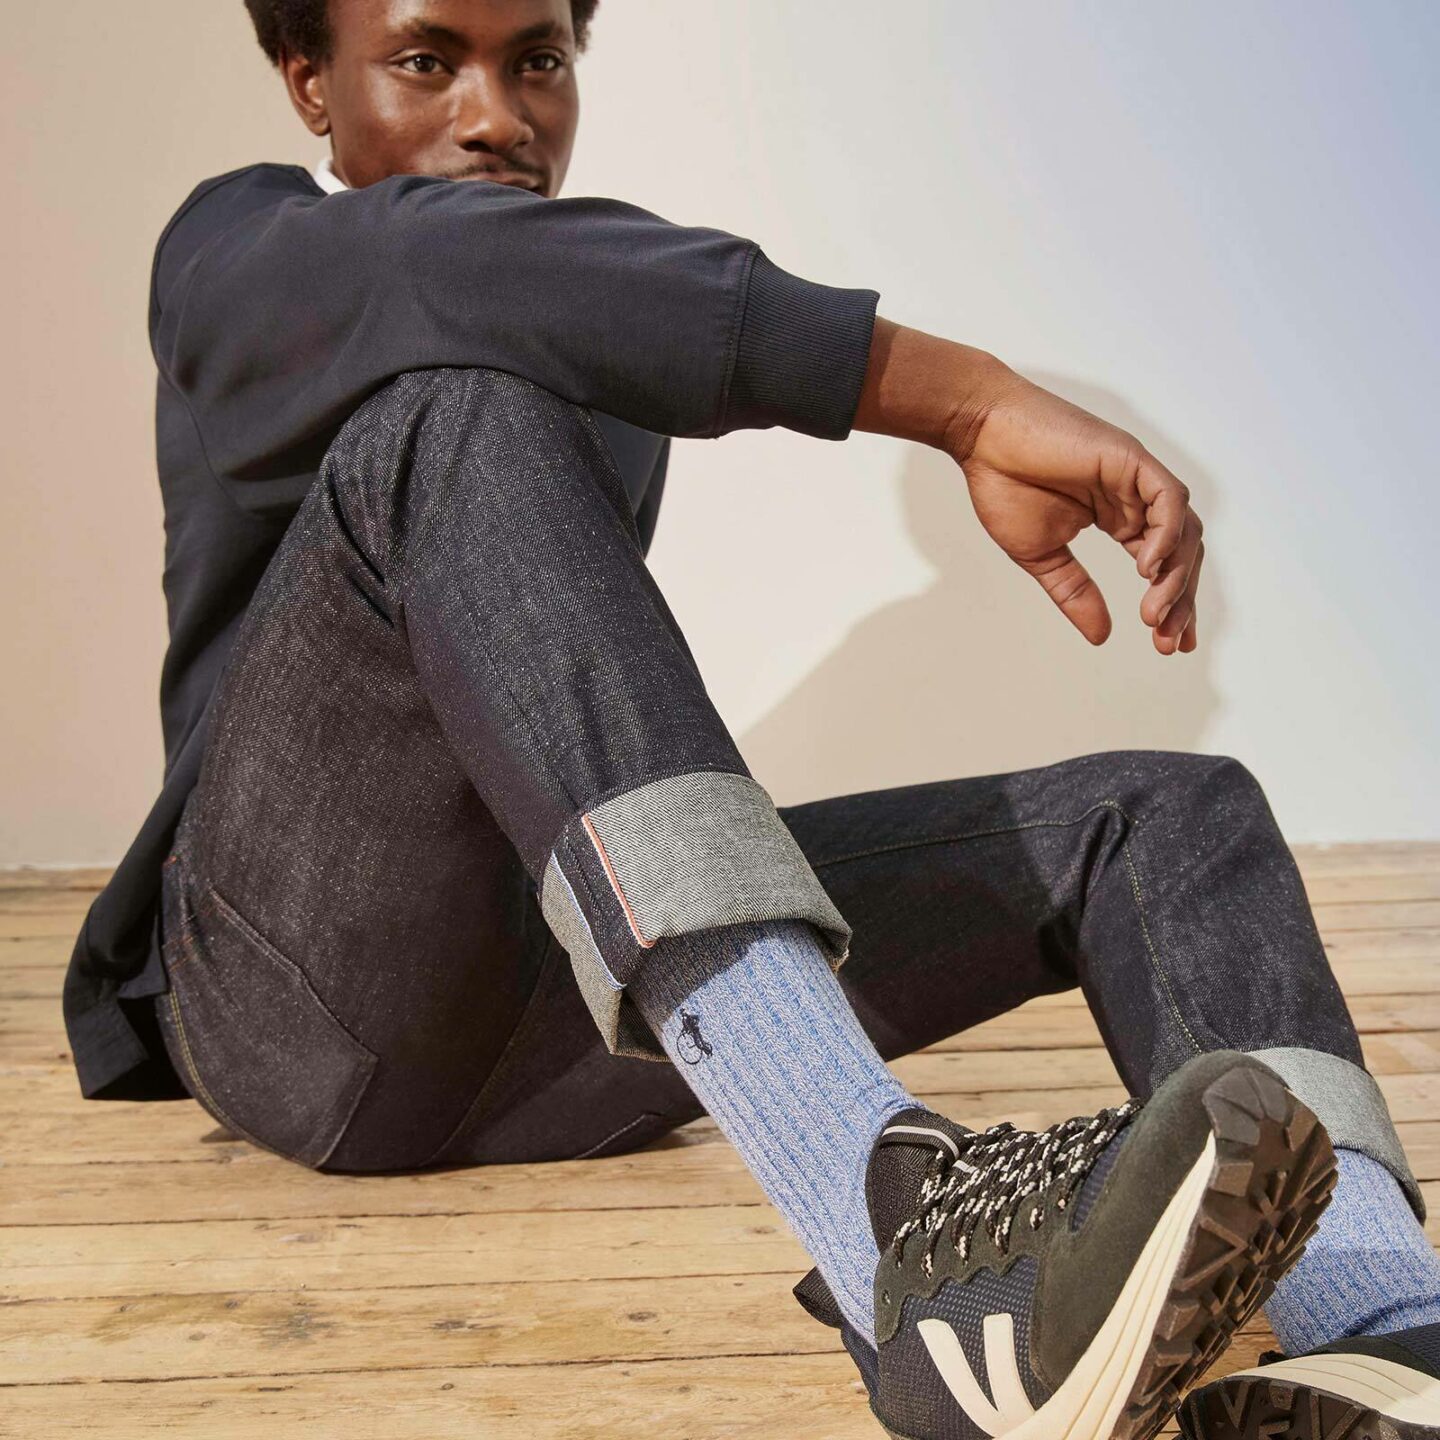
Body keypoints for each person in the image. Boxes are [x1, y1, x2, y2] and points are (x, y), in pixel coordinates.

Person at [60, 2, 1440, 1436]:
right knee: (456, 413)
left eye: (538, 58)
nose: (497, 113)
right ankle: (894, 1243)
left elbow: (536, 300)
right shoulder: (234, 253)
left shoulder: (589, 299)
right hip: (289, 1006)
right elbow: (432, 265)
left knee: (1170, 815)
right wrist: (963, 404)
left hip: (551, 1019)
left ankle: (1384, 1328)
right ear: (308, 84)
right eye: (426, 60)